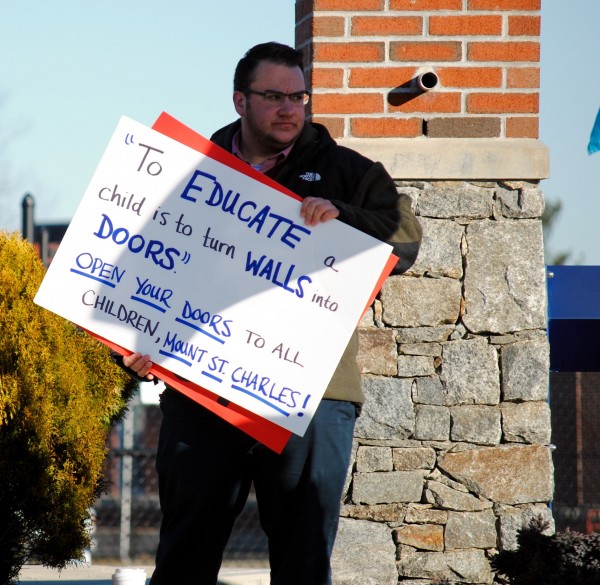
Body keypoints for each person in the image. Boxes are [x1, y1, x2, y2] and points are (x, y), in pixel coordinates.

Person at [120, 42, 421, 585]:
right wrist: (141, 340)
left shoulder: (348, 171)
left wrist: (344, 216)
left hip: (311, 392)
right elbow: (147, 262)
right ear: (240, 100)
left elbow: (405, 240)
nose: (290, 109)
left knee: (303, 558)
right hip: (202, 390)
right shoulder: (188, 171)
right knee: (185, 556)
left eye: (299, 97)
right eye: (274, 96)